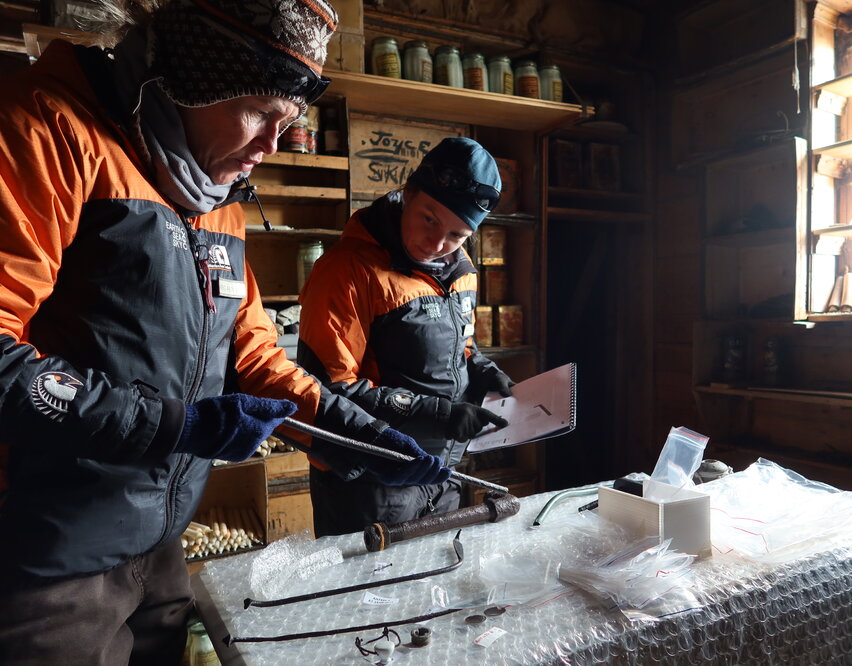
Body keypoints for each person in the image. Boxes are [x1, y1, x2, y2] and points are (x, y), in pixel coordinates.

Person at [0, 1, 447, 663]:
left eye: (287, 122)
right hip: (50, 554)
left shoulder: (214, 196)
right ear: (195, 77)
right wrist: (168, 424)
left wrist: (357, 432)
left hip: (160, 543)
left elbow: (254, 354)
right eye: (261, 112)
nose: (272, 145)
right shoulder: (47, 129)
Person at [298, 137, 517, 536]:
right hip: (369, 482)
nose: (437, 245)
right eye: (429, 219)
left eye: (457, 235)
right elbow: (329, 390)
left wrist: (482, 369)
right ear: (408, 193)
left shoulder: (460, 270)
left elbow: (461, 346)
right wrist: (440, 415)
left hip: (442, 473)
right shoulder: (347, 270)